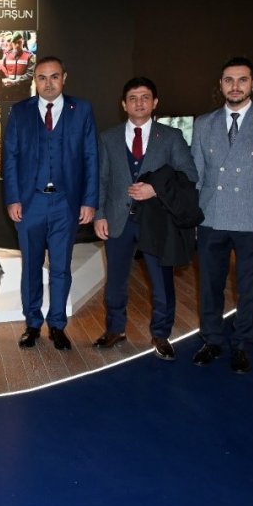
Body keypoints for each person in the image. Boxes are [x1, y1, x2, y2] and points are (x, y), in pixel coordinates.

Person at [191, 56, 253, 373]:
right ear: (220, 84)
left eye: (242, 80)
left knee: (248, 288)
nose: (235, 86)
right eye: (229, 80)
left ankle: (242, 344)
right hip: (211, 217)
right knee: (209, 285)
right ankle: (212, 340)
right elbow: (196, 175)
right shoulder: (204, 123)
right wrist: (192, 218)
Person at [93, 77, 198, 359]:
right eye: (133, 98)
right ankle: (115, 329)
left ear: (155, 102)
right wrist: (99, 214)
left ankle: (161, 334)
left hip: (157, 221)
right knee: (115, 281)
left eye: (145, 97)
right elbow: (101, 180)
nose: (139, 103)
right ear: (123, 104)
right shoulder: (108, 138)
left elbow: (189, 174)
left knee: (161, 281)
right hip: (118, 220)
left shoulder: (171, 137)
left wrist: (155, 188)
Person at [3, 56, 98, 350]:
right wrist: (13, 198)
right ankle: (32, 324)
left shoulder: (81, 110)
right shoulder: (20, 111)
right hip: (30, 204)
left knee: (60, 268)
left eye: (54, 76)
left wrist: (89, 201)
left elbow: (91, 157)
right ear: (35, 80)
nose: (48, 83)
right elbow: (10, 158)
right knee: (31, 267)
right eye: (42, 78)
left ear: (64, 78)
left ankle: (57, 324)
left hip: (65, 204)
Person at [1, 32, 36, 99]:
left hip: (23, 91)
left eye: (19, 42)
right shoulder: (7, 55)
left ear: (23, 41)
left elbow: (30, 74)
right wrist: (4, 81)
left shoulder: (29, 56)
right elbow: (3, 71)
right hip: (9, 91)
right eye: (15, 43)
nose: (17, 45)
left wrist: (14, 82)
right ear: (12, 43)